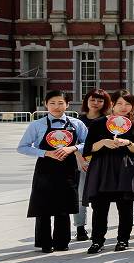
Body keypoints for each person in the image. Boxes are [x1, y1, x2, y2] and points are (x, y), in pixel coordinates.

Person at [18, 90, 88, 252]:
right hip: (45, 168)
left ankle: (62, 242)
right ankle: (44, 243)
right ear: (45, 104)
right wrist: (45, 153)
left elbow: (88, 143)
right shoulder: (37, 125)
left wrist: (73, 148)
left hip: (68, 168)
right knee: (43, 206)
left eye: (60, 103)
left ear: (67, 104)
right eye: (52, 103)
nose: (57, 107)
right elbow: (22, 147)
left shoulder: (76, 124)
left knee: (64, 206)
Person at [82, 91, 134, 254]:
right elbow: (87, 149)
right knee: (100, 207)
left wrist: (128, 142)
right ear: (112, 105)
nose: (124, 108)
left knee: (125, 207)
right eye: (120, 103)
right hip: (102, 168)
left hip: (125, 168)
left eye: (128, 104)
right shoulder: (98, 123)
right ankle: (97, 241)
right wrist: (103, 142)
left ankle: (123, 239)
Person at [75, 88, 109, 242]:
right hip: (81, 163)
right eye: (92, 100)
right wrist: (80, 158)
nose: (96, 103)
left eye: (100, 100)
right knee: (80, 195)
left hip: (100, 163)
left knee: (98, 198)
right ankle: (80, 227)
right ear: (86, 101)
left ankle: (99, 228)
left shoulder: (107, 121)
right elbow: (73, 143)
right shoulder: (77, 121)